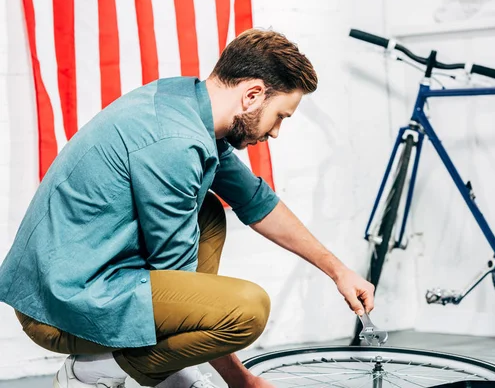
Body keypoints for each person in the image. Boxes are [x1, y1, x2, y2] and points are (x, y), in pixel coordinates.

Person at [0, 28, 375, 388]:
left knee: (208, 211)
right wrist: (240, 380)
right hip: (59, 308)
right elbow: (179, 280)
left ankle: (165, 373)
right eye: (280, 116)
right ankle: (95, 372)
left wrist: (337, 271)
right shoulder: (176, 143)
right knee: (248, 310)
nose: (275, 131)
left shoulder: (184, 103)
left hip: (84, 277)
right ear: (253, 95)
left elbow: (256, 201)